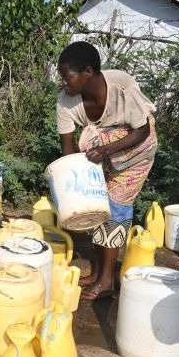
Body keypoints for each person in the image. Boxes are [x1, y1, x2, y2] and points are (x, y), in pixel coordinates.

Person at [56, 41, 158, 300]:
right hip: (102, 153)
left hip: (136, 149)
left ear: (88, 72)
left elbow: (142, 130)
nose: (64, 83)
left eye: (68, 77)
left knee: (116, 208)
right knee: (98, 204)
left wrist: (105, 150)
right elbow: (68, 148)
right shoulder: (66, 101)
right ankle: (99, 271)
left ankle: (107, 280)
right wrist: (76, 188)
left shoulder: (122, 87)